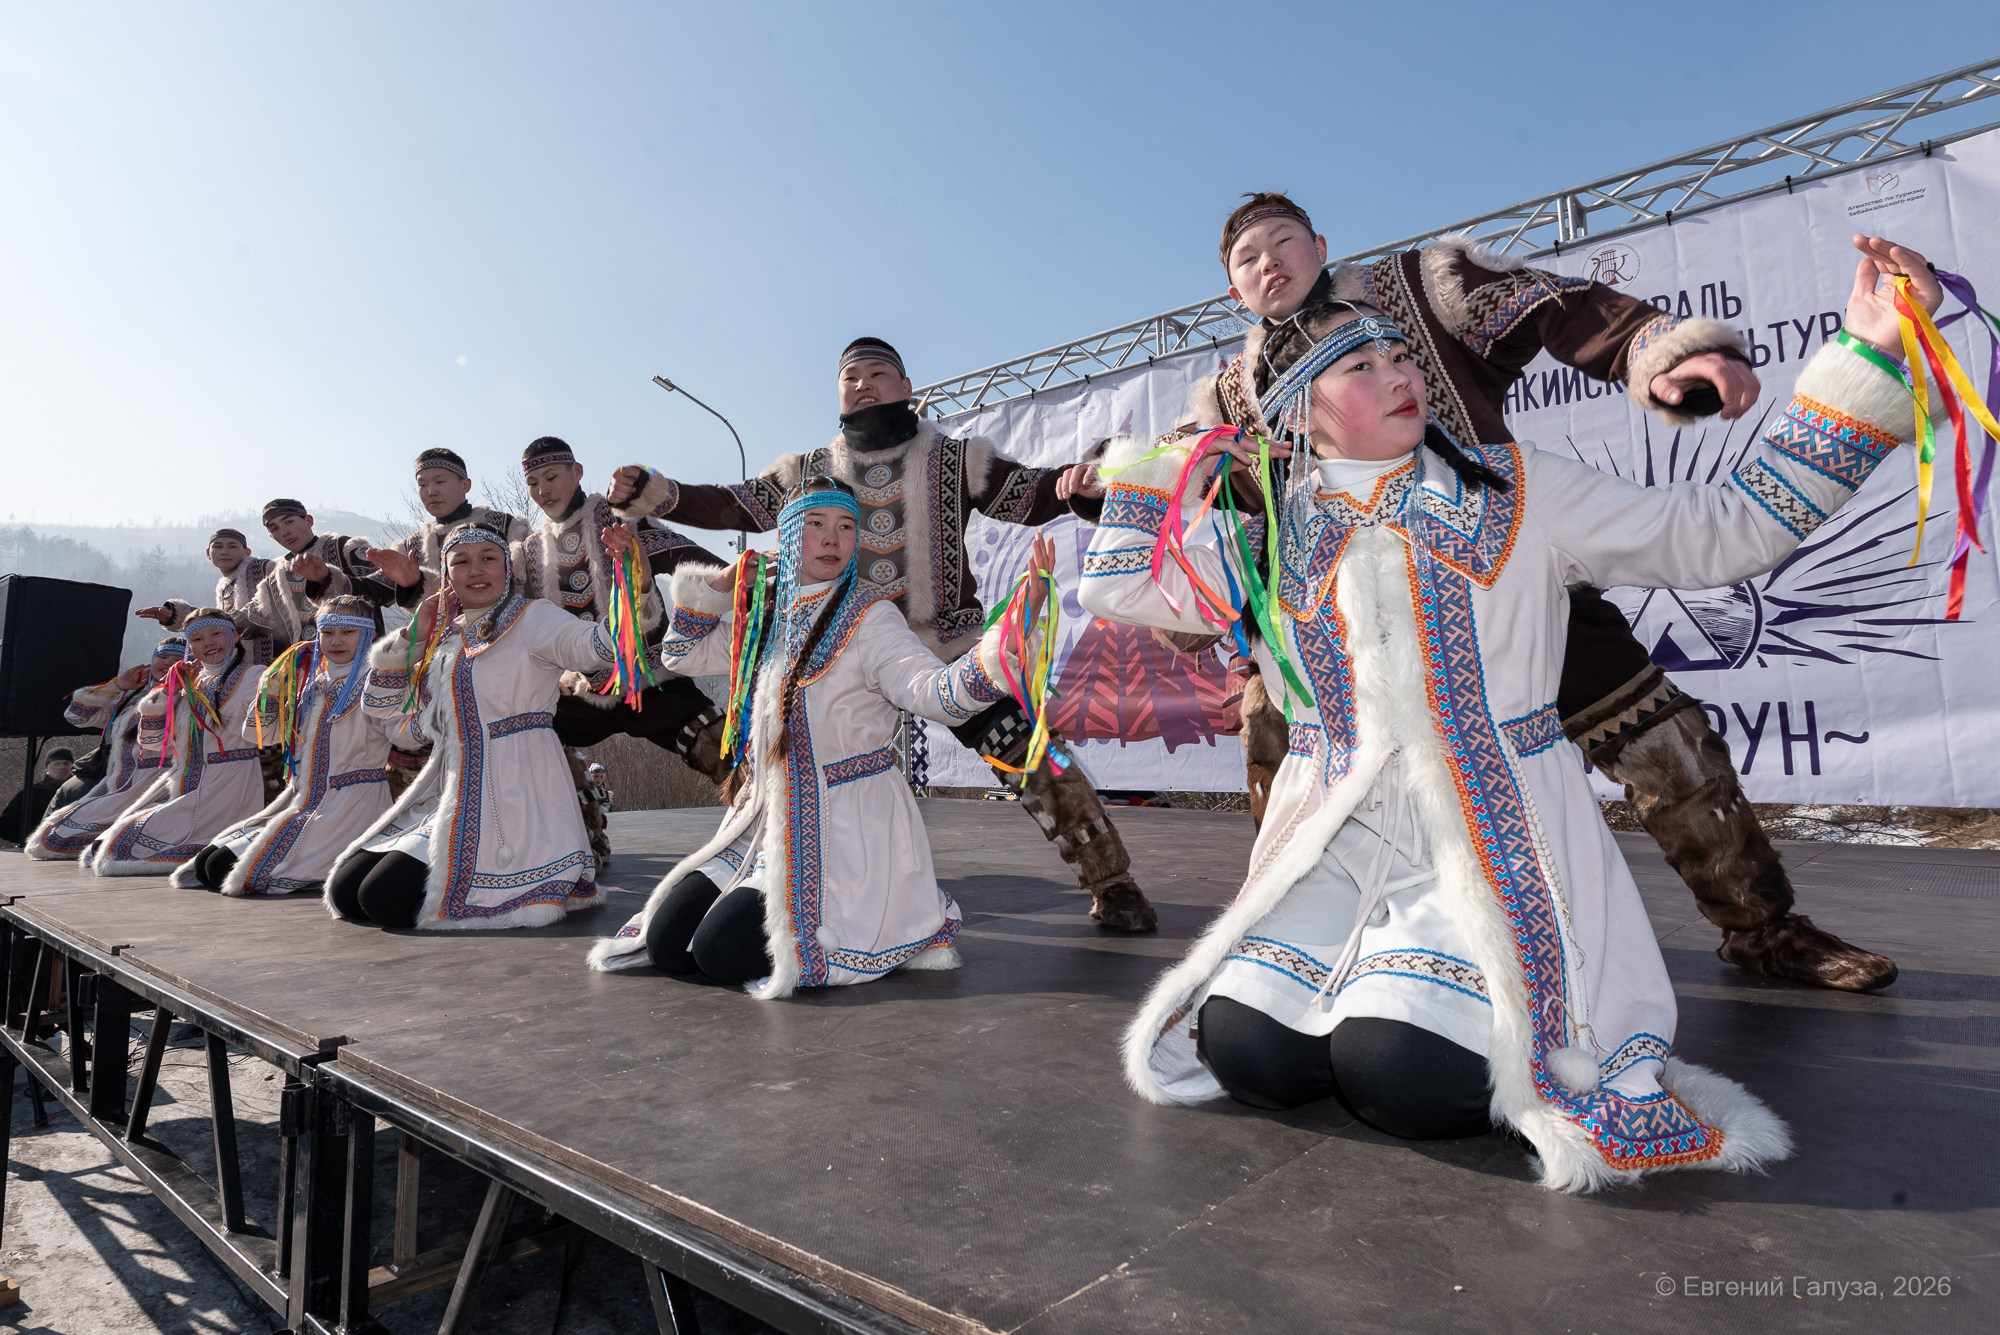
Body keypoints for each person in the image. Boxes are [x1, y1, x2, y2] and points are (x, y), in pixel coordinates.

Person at [1077, 233, 1932, 1191]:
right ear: (1299, 414)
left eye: (1401, 355)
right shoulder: (1274, 527)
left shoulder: (1518, 489)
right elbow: (1122, 594)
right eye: (1361, 366)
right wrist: (1147, 478)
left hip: (1494, 835)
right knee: (1250, 1056)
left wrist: (1868, 353)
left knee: (1401, 1078)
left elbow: (1730, 528)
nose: (1401, 373)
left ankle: (1723, 941)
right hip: (1333, 835)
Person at [606, 338, 1158, 933]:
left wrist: (1084, 480)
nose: (863, 384)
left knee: (1029, 751)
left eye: (878, 373)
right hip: (833, 650)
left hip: (940, 648)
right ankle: (768, 884)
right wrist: (658, 493)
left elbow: (1030, 495)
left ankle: (1112, 881)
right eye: (850, 376)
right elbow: (738, 506)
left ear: (907, 388)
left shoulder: (957, 458)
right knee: (780, 762)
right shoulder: (807, 472)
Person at [589, 476, 1039, 994]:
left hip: (845, 826)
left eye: (846, 527)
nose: (832, 539)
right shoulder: (765, 611)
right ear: (786, 536)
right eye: (815, 525)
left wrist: (1000, 649)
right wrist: (720, 584)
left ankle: (895, 922)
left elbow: (932, 692)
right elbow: (680, 654)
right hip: (762, 821)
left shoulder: (873, 617)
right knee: (667, 944)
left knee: (716, 954)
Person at [323, 523, 641, 930]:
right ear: (447, 574)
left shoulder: (533, 617)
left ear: (505, 568)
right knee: (346, 893)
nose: (476, 570)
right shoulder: (446, 636)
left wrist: (629, 584)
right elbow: (381, 706)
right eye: (461, 562)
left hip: (517, 789)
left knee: (380, 900)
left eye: (488, 559)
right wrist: (413, 634)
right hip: (452, 786)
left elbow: (601, 646)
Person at [517, 436, 730, 866]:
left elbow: (695, 563)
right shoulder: (528, 554)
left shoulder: (620, 523)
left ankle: (775, 839)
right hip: (578, 691)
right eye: (534, 482)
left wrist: (740, 578)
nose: (544, 491)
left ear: (577, 472)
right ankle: (577, 845)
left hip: (651, 681)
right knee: (524, 741)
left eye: (552, 477)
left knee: (723, 747)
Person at [175, 596, 400, 895]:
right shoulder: (312, 684)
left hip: (353, 803)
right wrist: (271, 691)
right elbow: (260, 737)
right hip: (305, 800)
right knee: (208, 864)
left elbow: (405, 738)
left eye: (348, 632)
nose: (336, 641)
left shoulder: (377, 679)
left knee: (220, 869)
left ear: (369, 634)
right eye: (328, 632)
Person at [92, 611, 267, 875]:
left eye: (216, 634)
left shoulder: (254, 675)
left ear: (234, 636)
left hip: (230, 783)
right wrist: (166, 693)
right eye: (197, 639)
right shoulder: (188, 684)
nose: (208, 643)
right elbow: (153, 743)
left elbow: (260, 732)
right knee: (110, 844)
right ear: (190, 647)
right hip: (186, 783)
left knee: (121, 846)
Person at [25, 637, 185, 860]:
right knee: (51, 836)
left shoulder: (187, 700)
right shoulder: (132, 697)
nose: (168, 663)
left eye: (177, 659)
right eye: (163, 656)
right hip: (119, 785)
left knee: (57, 841)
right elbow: (76, 716)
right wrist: (117, 686)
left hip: (155, 786)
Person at [363, 448, 532, 608]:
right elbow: (373, 589)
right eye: (422, 485)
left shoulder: (506, 527)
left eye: (440, 481)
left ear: (465, 485)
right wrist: (338, 579)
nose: (431, 491)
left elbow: (534, 584)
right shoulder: (411, 547)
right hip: (439, 637)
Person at [138, 529, 280, 665]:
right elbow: (227, 620)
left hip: (276, 666)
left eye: (232, 546)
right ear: (208, 553)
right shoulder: (225, 587)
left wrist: (188, 615)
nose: (224, 552)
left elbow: (255, 614)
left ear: (247, 552)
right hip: (247, 668)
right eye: (217, 546)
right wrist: (178, 616)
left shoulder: (259, 568)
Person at [1, 749, 75, 846]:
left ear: (72, 767)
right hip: (36, 851)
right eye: (56, 763)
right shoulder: (30, 793)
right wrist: (31, 839)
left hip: (75, 849)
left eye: (66, 763)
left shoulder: (82, 791)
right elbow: (4, 826)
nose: (62, 767)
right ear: (47, 768)